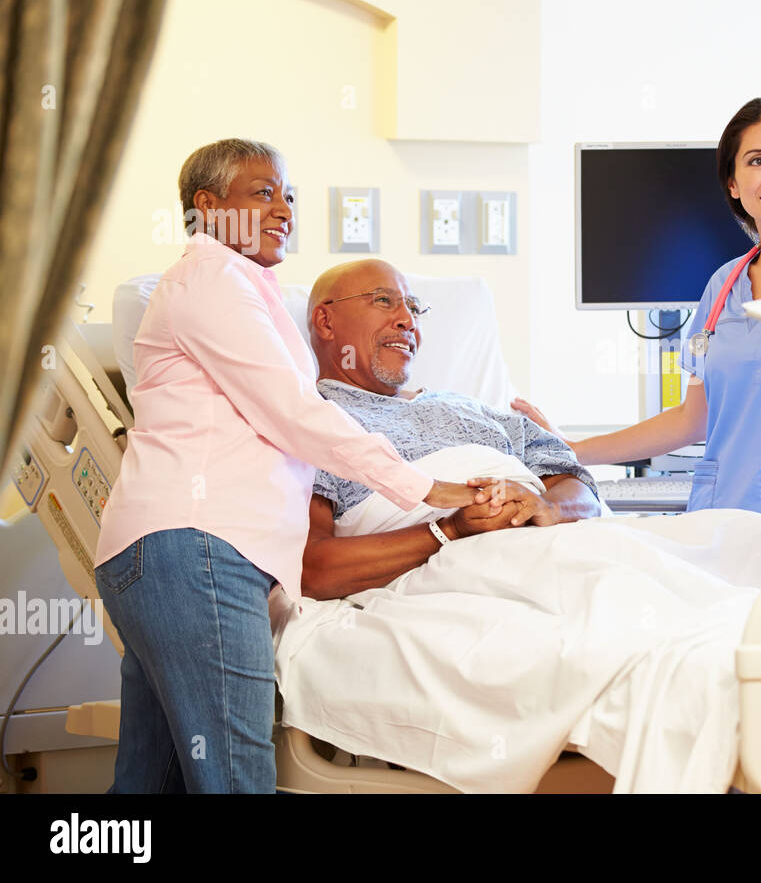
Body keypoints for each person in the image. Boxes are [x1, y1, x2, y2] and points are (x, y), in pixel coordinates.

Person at [92, 139, 498, 793]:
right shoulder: (211, 278)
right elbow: (292, 412)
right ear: (209, 206)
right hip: (197, 551)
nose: (283, 209)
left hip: (170, 557)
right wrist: (426, 489)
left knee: (147, 787)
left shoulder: (245, 289)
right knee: (235, 779)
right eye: (262, 193)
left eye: (287, 196)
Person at [514, 96, 761, 572]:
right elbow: (690, 420)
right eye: (757, 161)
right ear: (734, 185)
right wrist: (570, 451)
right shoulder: (722, 286)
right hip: (720, 526)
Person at [299, 259, 603, 599]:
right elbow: (312, 570)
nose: (408, 321)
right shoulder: (312, 422)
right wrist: (448, 530)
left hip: (555, 557)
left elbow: (579, 486)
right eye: (383, 300)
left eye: (414, 308)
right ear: (326, 322)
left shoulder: (474, 409)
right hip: (455, 585)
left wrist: (546, 508)